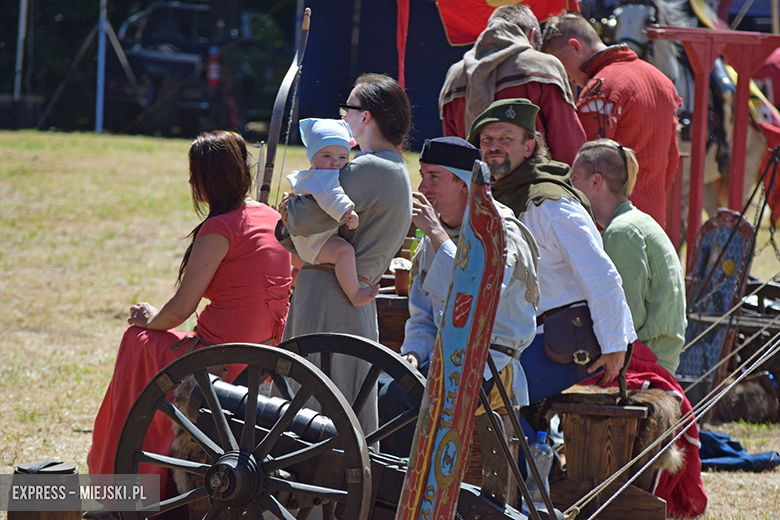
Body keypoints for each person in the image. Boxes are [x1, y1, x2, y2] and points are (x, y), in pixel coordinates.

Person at [88, 131, 292, 488]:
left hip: (216, 360)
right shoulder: (269, 216)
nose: (189, 182)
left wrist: (149, 318)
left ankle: (122, 478)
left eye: (193, 175)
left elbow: (182, 307)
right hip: (262, 359)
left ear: (205, 180)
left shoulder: (218, 229)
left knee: (136, 340)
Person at [378, 136, 540, 457]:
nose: (423, 187)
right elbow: (424, 316)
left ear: (465, 184)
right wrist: (412, 353)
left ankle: (401, 495)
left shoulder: (500, 232)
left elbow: (480, 298)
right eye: (422, 175)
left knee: (396, 398)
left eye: (434, 177)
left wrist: (438, 237)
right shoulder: (434, 236)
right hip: (441, 360)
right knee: (382, 385)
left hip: (489, 365)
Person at [467, 98, 636, 403]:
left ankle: (531, 448)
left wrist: (614, 345)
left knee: (479, 399)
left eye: (506, 139)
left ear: (529, 148)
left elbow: (600, 273)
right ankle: (535, 447)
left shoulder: (551, 203)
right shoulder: (494, 198)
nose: (494, 147)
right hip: (522, 338)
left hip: (565, 344)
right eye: (487, 139)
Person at [276, 73, 413, 432]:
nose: (343, 118)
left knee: (315, 424)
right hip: (347, 300)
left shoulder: (371, 167)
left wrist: (287, 208)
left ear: (365, 116)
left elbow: (302, 219)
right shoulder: (395, 168)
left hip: (329, 300)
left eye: (347, 109)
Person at [540, 13, 680, 229]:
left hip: (610, 228)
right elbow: (672, 158)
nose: (565, 78)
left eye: (559, 65)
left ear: (575, 46)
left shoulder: (600, 89)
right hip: (651, 223)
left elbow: (583, 168)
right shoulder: (661, 80)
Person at [570, 139, 686, 374]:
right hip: (655, 356)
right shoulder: (633, 222)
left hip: (645, 364)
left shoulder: (621, 232)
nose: (570, 188)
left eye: (574, 180)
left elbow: (624, 320)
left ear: (595, 182)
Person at [439, 4, 586, 165]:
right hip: (534, 185)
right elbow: (568, 144)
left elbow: (453, 153)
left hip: (473, 187)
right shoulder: (543, 65)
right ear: (532, 35)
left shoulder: (455, 75)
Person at [287, 118, 379, 307]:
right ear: (311, 156)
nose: (335, 163)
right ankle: (355, 293)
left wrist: (364, 158)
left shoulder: (321, 171)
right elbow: (332, 196)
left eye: (343, 157)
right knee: (344, 252)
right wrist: (348, 211)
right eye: (327, 156)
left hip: (309, 238)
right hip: (314, 242)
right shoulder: (322, 177)